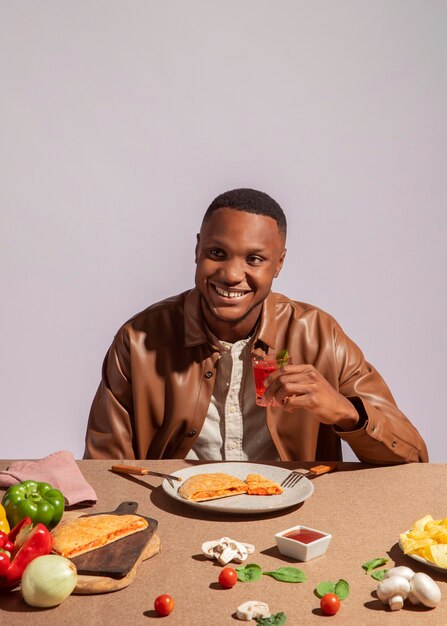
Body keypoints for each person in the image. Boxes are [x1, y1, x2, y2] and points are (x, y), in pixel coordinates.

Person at [84, 188, 428, 463]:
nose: (232, 275)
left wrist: (345, 412)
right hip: (174, 515)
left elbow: (413, 456)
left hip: (289, 522)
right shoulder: (140, 340)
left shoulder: (320, 334)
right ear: (197, 249)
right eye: (217, 253)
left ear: (278, 264)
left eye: (254, 259)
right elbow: (103, 467)